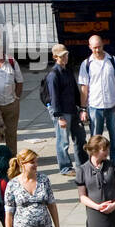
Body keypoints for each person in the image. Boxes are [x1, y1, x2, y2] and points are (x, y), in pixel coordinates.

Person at [77, 35, 115, 167]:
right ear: (89, 47)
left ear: (103, 45)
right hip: (95, 106)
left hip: (113, 105)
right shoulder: (86, 64)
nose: (97, 50)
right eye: (94, 48)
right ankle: (96, 164)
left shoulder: (114, 61)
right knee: (95, 139)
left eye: (99, 47)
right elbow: (84, 88)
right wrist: (83, 109)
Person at [45, 44, 86, 177]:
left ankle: (82, 163)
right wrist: (59, 117)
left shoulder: (67, 71)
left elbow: (75, 90)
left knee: (80, 138)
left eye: (66, 55)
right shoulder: (53, 75)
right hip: (63, 112)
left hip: (73, 109)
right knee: (63, 141)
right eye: (62, 56)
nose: (65, 58)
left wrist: (80, 107)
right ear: (55, 57)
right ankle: (65, 167)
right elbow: (54, 97)